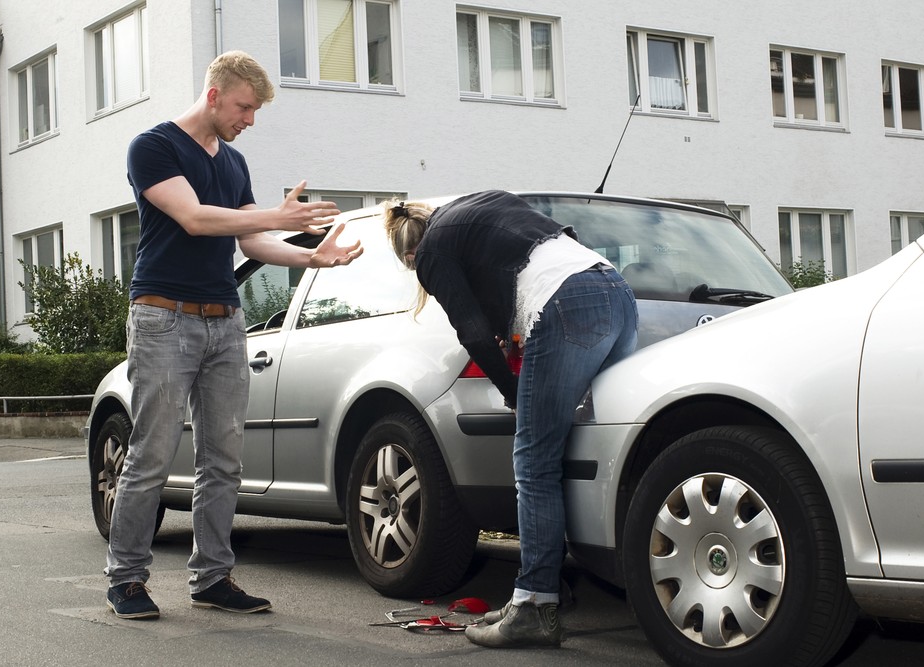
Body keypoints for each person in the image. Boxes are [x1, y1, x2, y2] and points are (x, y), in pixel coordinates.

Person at [105, 50, 363, 620]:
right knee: (151, 452)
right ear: (215, 94)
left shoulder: (235, 163)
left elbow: (248, 243)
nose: (250, 120)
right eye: (245, 107)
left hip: (225, 320)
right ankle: (126, 579)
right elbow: (197, 218)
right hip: (163, 315)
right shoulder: (154, 146)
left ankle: (212, 578)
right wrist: (278, 217)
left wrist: (311, 256)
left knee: (223, 458)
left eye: (255, 111)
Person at [384, 190, 638, 648]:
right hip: (615, 291)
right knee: (594, 452)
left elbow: (473, 330)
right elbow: (550, 248)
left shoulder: (433, 252)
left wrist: (514, 392)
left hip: (568, 303)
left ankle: (536, 606)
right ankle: (544, 589)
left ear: (410, 254)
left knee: (534, 463)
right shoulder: (485, 203)